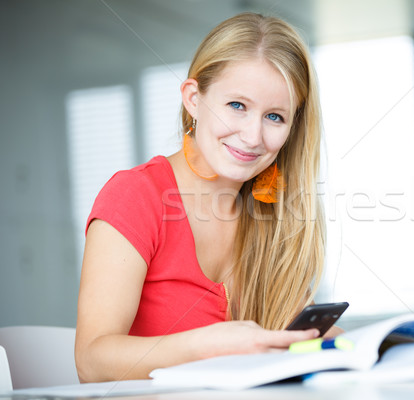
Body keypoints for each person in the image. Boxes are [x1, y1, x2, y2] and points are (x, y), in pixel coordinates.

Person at [75, 12, 337, 383]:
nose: (252, 136)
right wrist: (208, 345)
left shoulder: (274, 215)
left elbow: (296, 334)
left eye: (275, 117)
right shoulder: (135, 196)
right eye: (237, 106)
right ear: (194, 99)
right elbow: (91, 362)